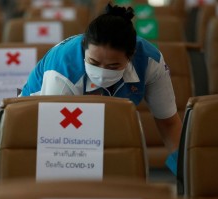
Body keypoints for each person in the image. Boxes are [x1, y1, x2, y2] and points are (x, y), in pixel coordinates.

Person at [20, 3, 182, 175]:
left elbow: (169, 123)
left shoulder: (150, 62)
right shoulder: (63, 70)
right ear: (84, 48)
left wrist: (186, 175)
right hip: (39, 129)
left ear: (131, 56)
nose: (102, 73)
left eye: (113, 66)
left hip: (103, 131)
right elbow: (58, 143)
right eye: (94, 63)